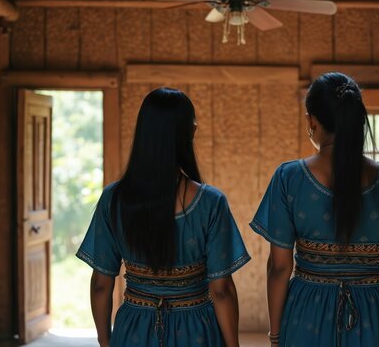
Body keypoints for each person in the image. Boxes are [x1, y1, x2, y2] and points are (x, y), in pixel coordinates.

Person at [250, 72, 379, 347]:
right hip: (375, 317)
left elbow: (279, 266)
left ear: (311, 120)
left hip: (305, 314)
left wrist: (276, 336)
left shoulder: (288, 178)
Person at [77, 87, 250, 347]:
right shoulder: (211, 202)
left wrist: (105, 340)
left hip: (133, 328)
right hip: (197, 330)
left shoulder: (114, 199)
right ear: (188, 133)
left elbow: (101, 284)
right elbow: (221, 289)